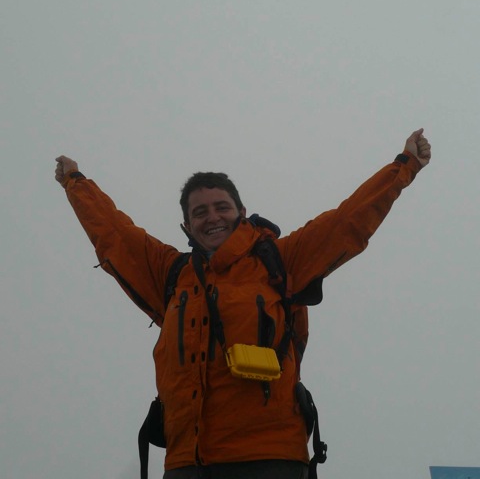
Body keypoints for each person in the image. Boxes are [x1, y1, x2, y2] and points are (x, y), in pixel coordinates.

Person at [55, 129, 431, 479]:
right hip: (185, 463)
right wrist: (75, 181)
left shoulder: (280, 260)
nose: (212, 217)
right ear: (187, 226)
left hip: (269, 459)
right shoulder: (171, 275)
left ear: (241, 211)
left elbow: (348, 221)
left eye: (222, 207)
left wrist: (404, 165)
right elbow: (113, 234)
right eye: (199, 212)